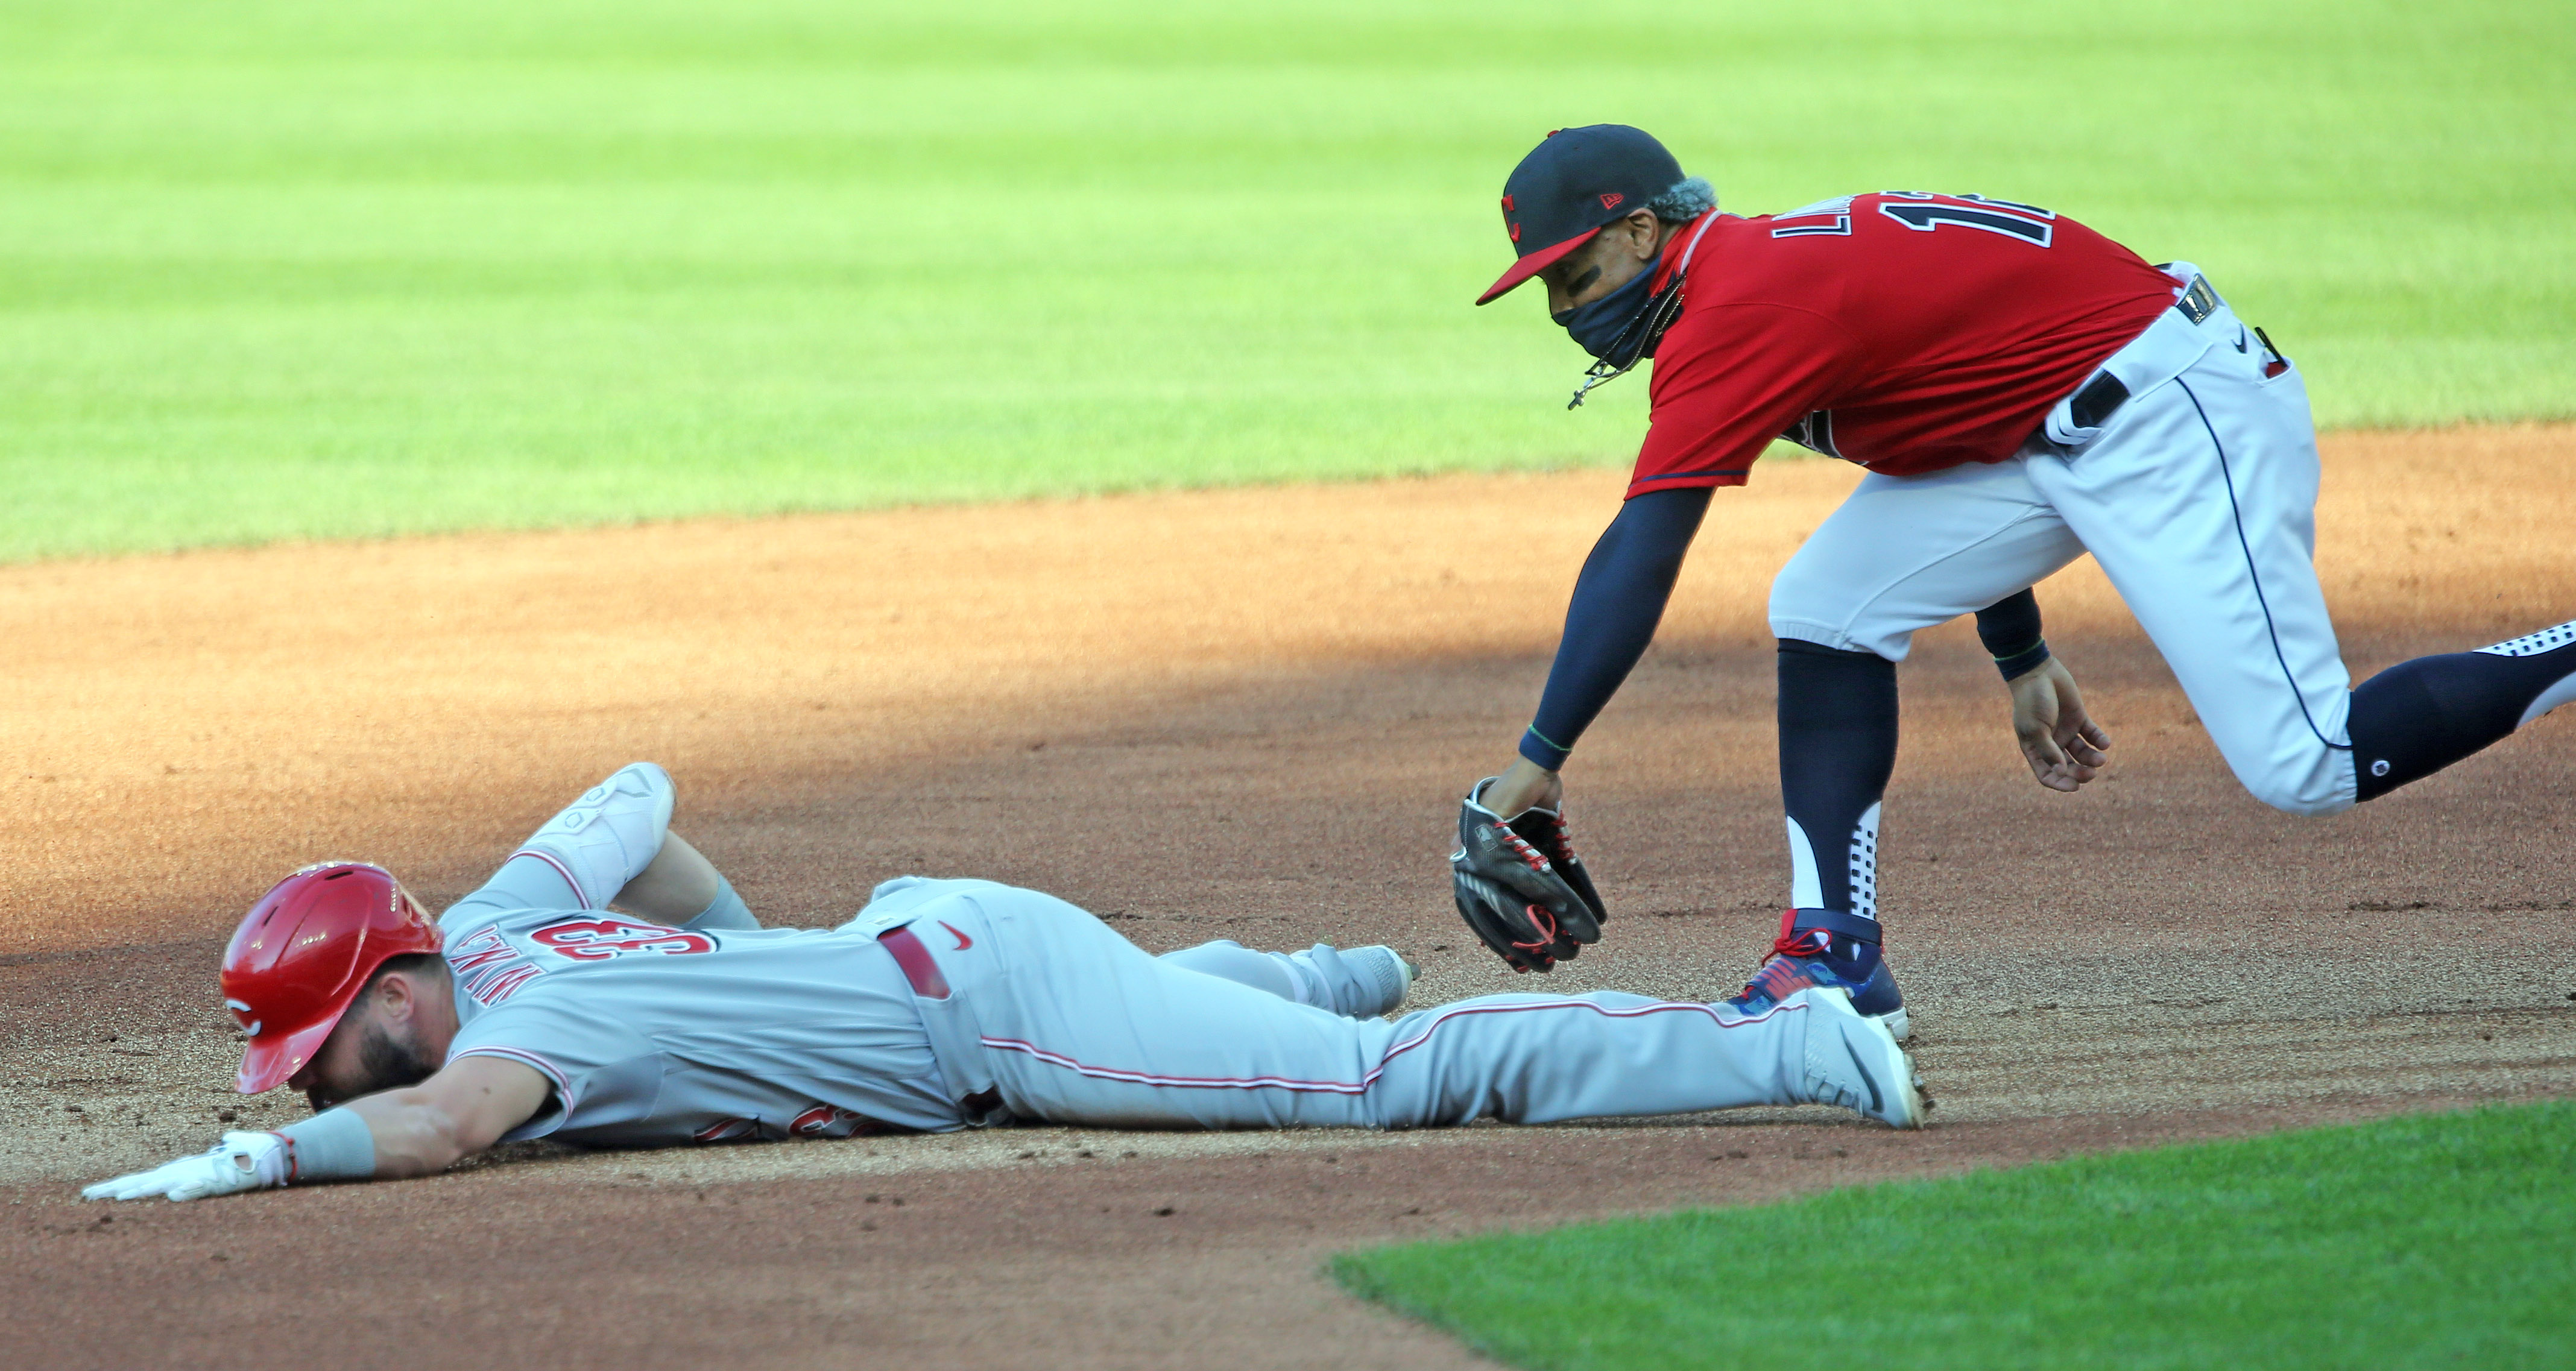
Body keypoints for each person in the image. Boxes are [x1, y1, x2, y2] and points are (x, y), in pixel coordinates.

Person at [1445, 124, 2576, 1039]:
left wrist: (1537, 761)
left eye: (1572, 275)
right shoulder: (1742, 275)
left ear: (1643, 232)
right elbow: (1961, 413)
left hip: (2176, 414)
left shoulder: (1737, 309)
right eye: (1545, 291)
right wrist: (2019, 649)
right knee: (1828, 603)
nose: (1563, 311)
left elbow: (1642, 549)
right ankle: (1833, 959)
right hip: (2060, 423)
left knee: (2311, 760)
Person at [83, 762, 1923, 1202]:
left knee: (1389, 1089)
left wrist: (258, 1168)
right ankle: (1307, 974)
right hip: (941, 940)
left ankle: (1792, 1040)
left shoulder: (520, 1025)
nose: (312, 1081)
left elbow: (438, 1123)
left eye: (321, 1049)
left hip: (986, 1007)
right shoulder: (490, 925)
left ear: (400, 986)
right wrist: (744, 968)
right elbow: (634, 800)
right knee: (1260, 1026)